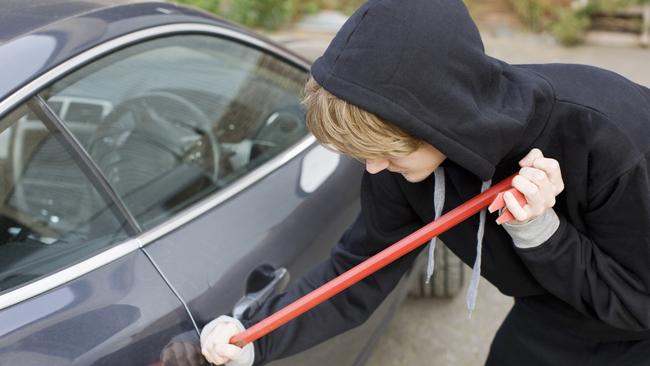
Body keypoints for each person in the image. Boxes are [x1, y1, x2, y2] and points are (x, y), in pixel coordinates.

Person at [200, 0, 650, 364]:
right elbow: (356, 272)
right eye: (363, 155)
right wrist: (254, 337)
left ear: (439, 120)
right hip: (552, 311)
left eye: (387, 154)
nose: (373, 170)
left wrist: (543, 235)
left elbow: (637, 304)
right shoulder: (401, 164)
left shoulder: (607, 136)